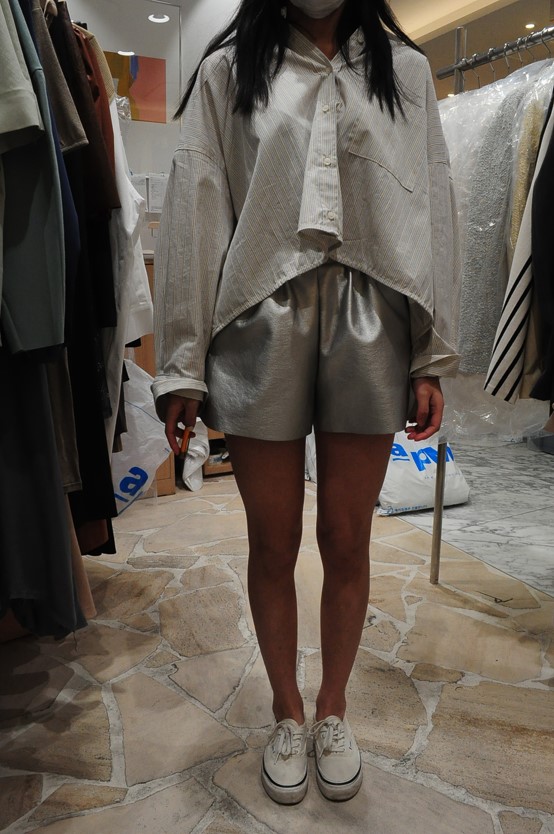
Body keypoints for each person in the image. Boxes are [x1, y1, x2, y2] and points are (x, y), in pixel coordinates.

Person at [152, 0, 460, 806]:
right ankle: (287, 712)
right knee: (273, 539)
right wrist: (181, 363)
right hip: (260, 316)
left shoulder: (406, 73)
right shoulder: (229, 73)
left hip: (374, 315)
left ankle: (333, 710)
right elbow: (198, 204)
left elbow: (431, 205)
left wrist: (432, 351)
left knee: (347, 536)